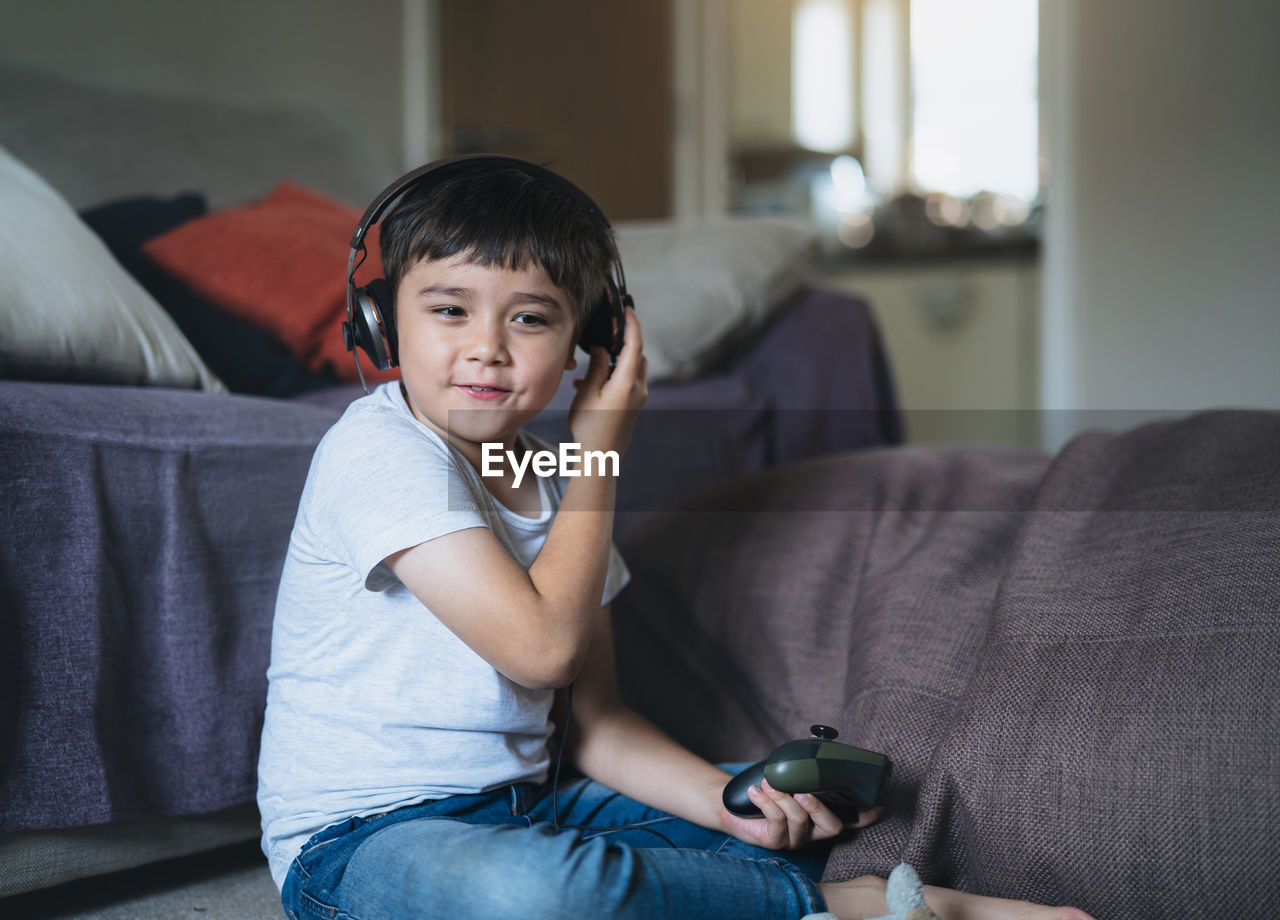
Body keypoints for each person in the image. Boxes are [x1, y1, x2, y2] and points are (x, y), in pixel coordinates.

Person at [257, 158, 1093, 920]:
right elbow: (543, 652)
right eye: (448, 309)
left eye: (532, 320)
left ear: (594, 345)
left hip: (540, 804)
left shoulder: (552, 477)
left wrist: (734, 799)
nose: (487, 349)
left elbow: (597, 725)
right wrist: (604, 447)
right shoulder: (380, 450)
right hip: (364, 841)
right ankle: (861, 908)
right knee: (531, 890)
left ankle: (775, 890)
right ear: (379, 319)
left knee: (756, 822)